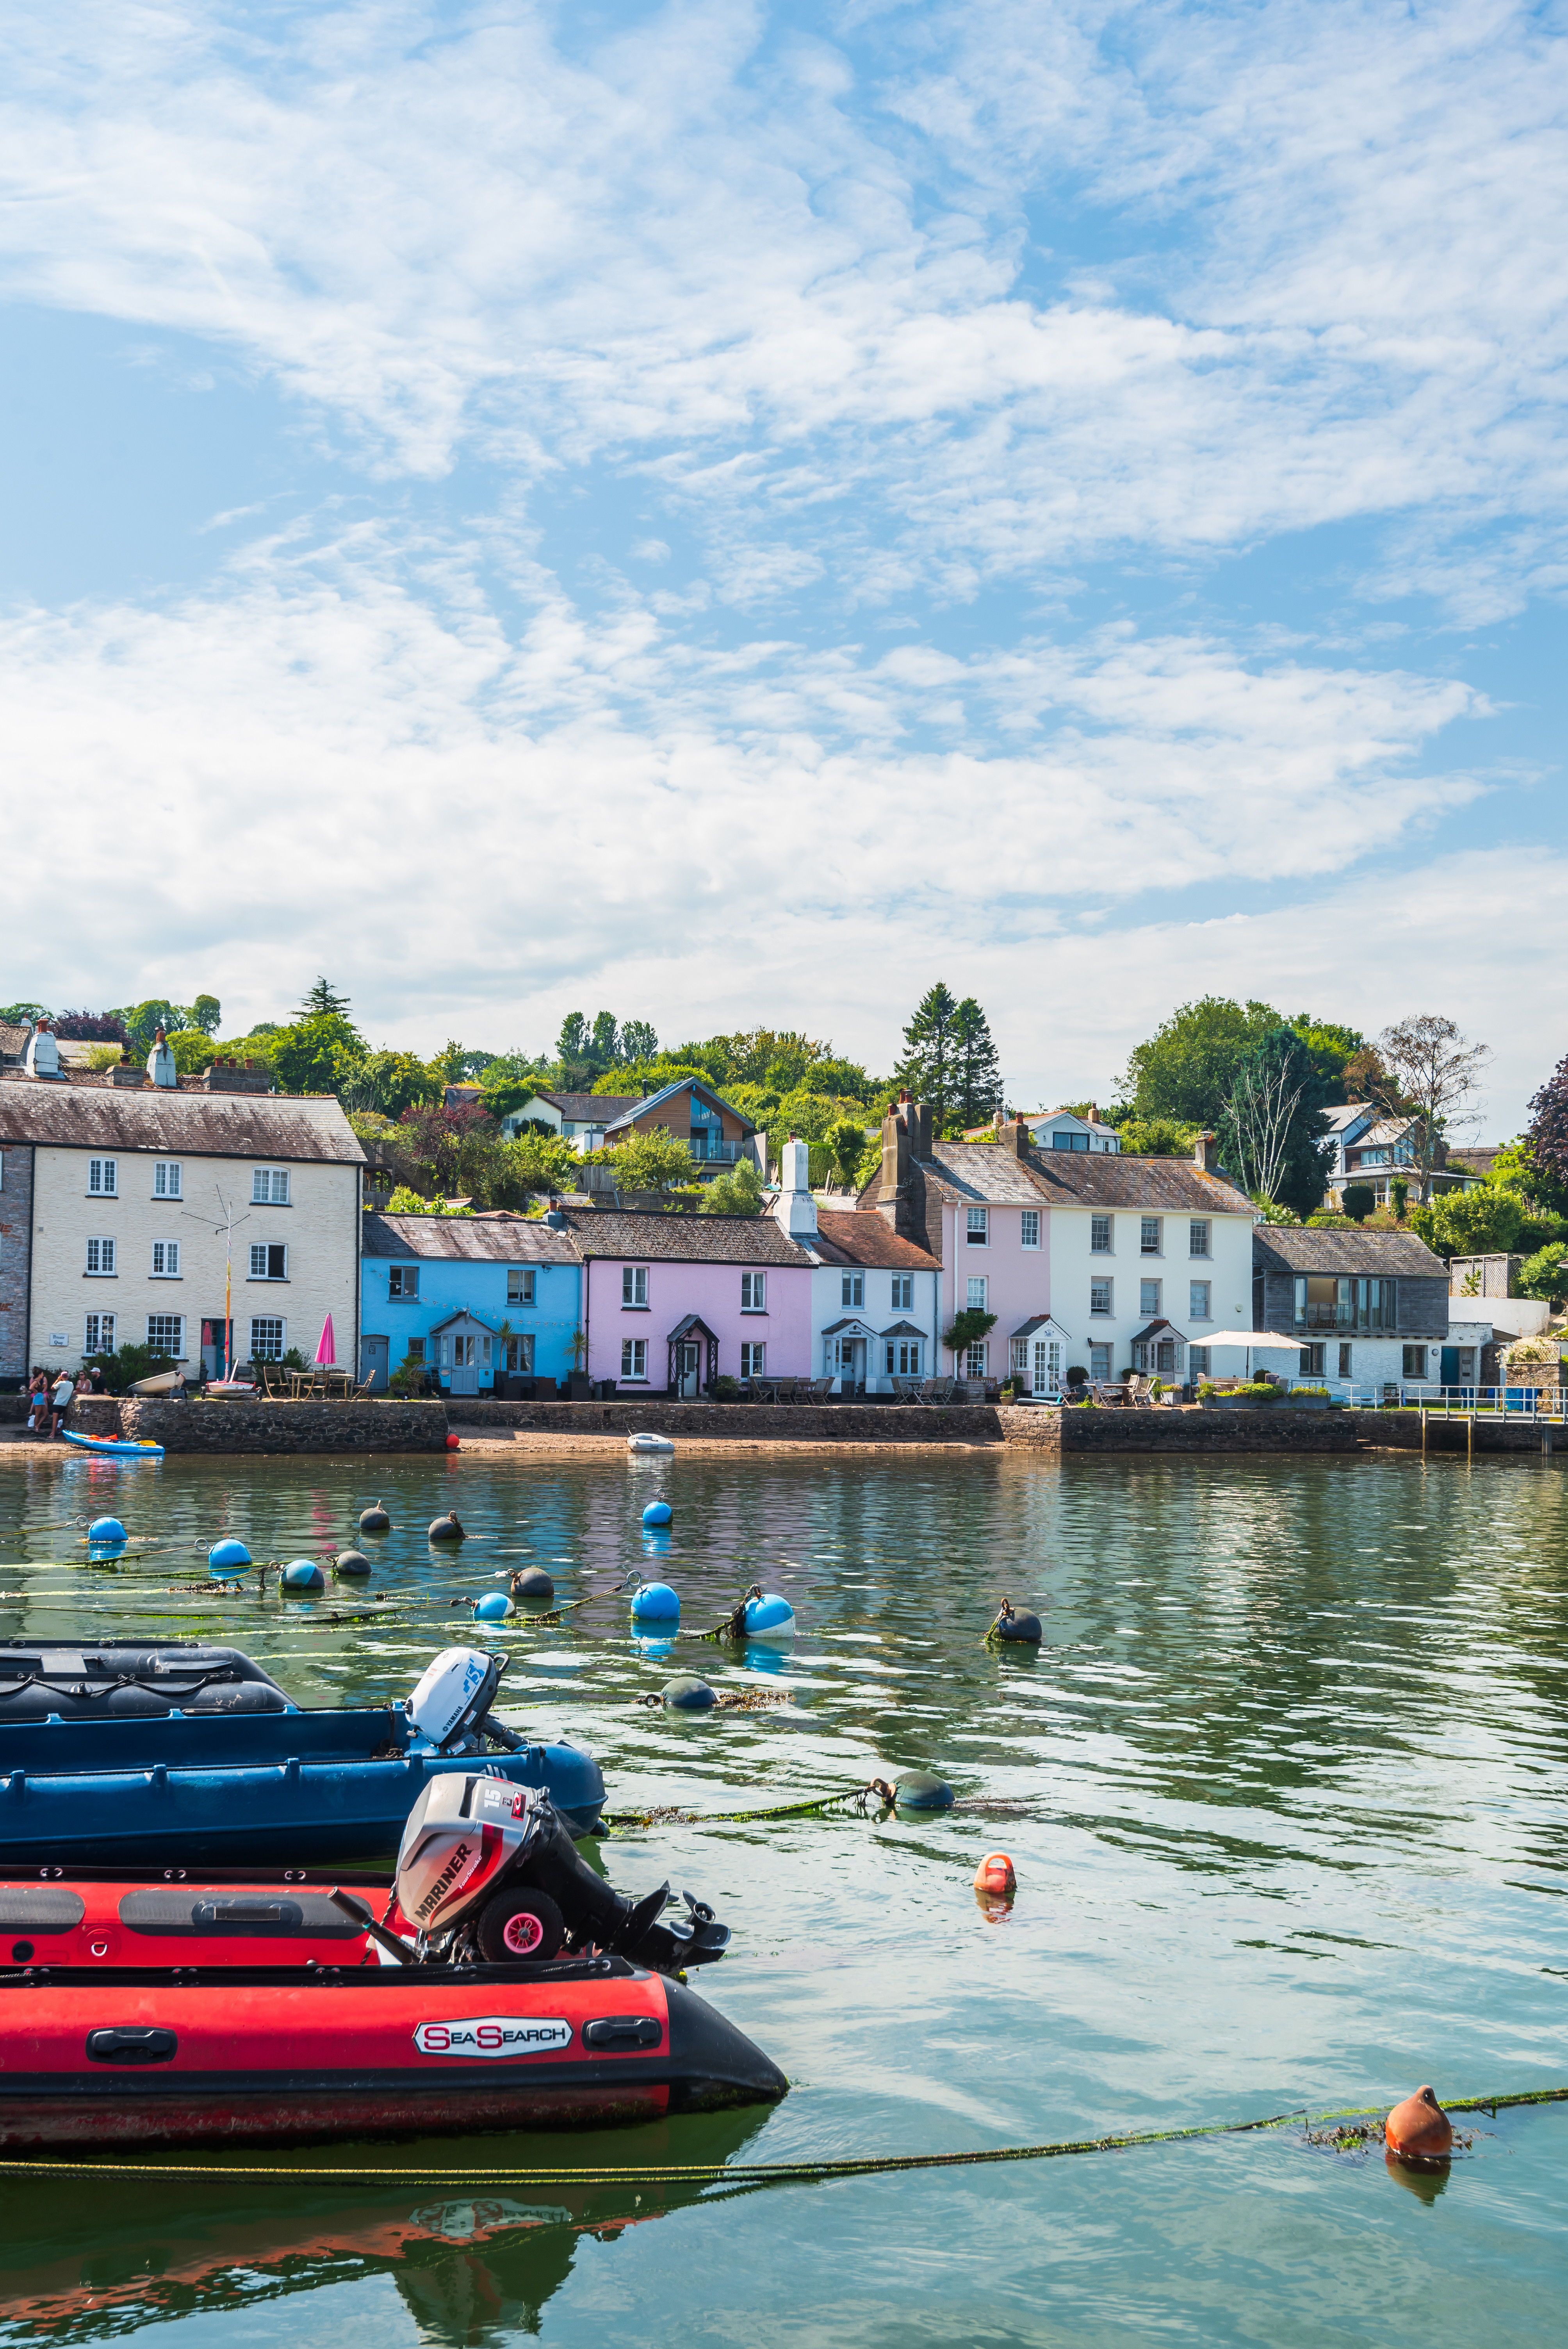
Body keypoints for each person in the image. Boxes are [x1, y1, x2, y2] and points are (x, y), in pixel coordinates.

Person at [49, 1368, 76, 1440]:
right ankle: (54, 1433)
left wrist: (57, 1380)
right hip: (64, 1405)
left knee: (55, 1420)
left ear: (62, 1377)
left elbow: (52, 1388)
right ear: (68, 1377)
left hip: (58, 1404)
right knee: (59, 1419)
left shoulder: (61, 1383)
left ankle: (53, 1435)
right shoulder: (71, 1384)